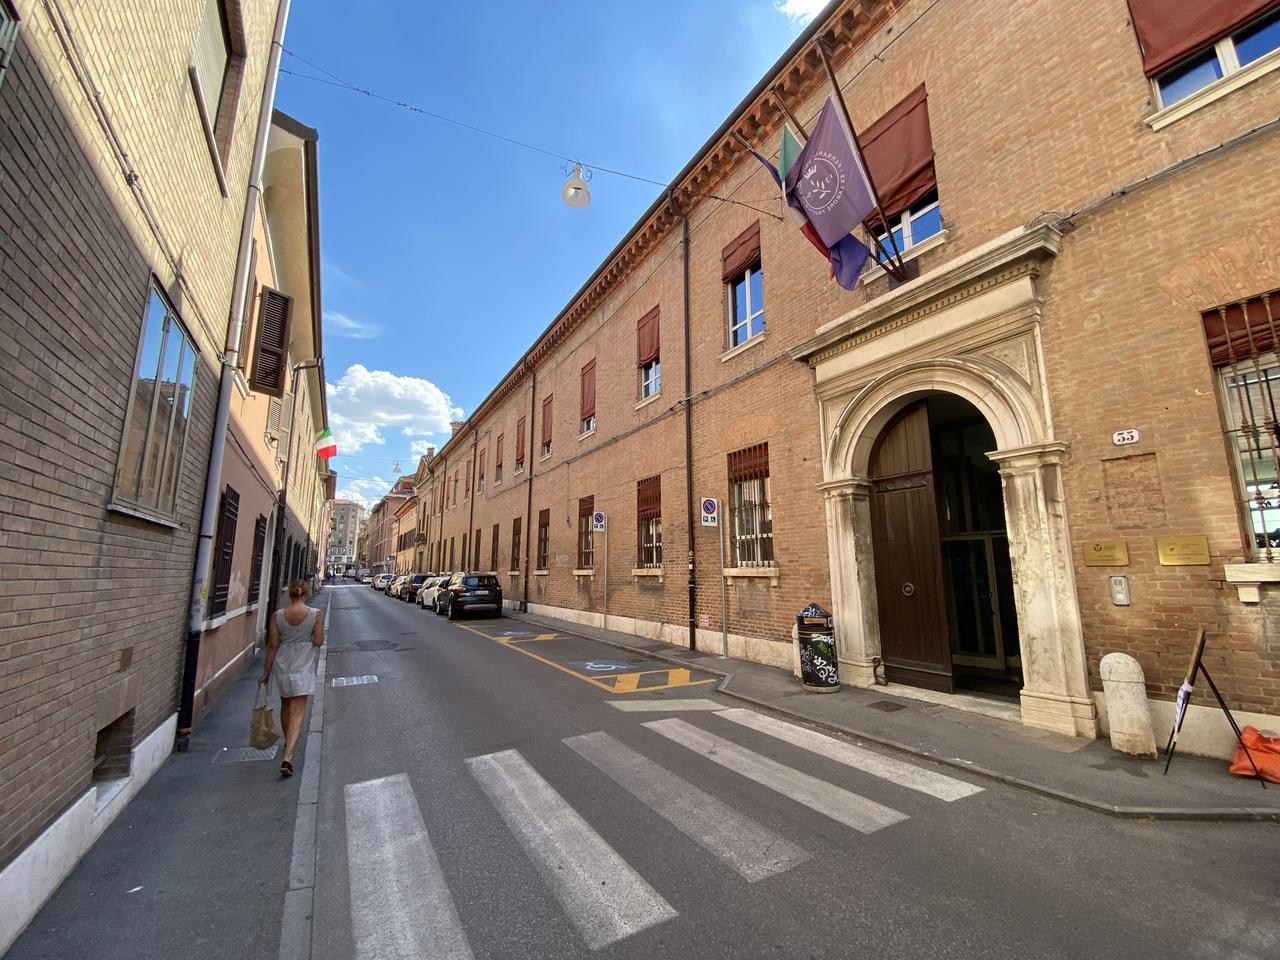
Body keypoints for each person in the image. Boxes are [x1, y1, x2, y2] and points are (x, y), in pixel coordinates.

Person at [259, 581, 324, 777]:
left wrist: (265, 673)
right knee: (298, 710)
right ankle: (288, 756)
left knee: (285, 706)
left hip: (282, 662)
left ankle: (289, 743)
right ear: (305, 593)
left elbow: (272, 645)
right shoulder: (315, 614)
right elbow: (319, 642)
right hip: (302, 663)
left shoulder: (277, 615)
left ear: (290, 595)